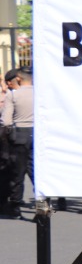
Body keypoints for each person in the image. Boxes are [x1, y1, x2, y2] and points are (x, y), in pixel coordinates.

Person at [2, 68, 33, 216]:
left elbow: (6, 121)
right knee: (36, 170)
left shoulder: (13, 95)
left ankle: (15, 206)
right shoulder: (41, 94)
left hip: (20, 134)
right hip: (38, 134)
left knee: (18, 171)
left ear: (19, 79)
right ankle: (44, 202)